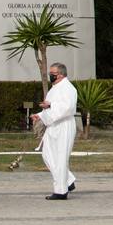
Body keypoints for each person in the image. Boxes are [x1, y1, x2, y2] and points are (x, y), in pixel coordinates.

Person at [36, 62, 78, 200]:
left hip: (64, 125)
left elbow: (68, 107)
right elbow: (49, 107)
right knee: (47, 155)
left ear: (60, 74)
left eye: (53, 73)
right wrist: (40, 115)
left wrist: (51, 105)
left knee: (60, 158)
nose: (51, 75)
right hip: (54, 125)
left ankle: (61, 191)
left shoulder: (68, 88)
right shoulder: (55, 88)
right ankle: (68, 180)